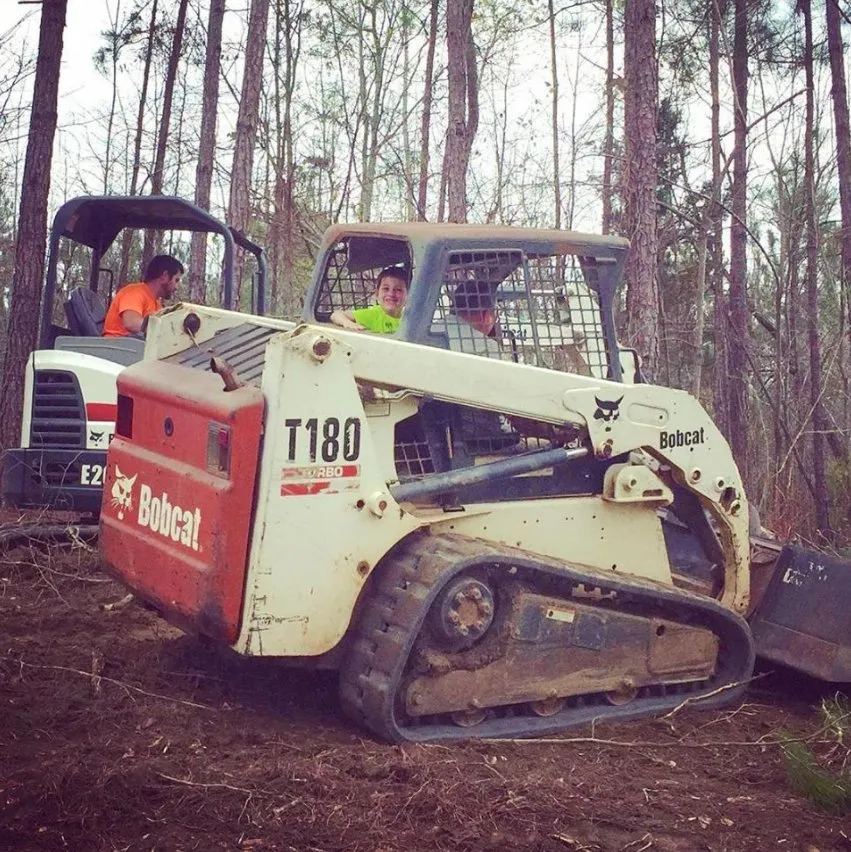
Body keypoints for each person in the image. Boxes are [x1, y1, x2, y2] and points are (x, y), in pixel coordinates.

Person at [102, 254, 184, 338]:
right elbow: (131, 322)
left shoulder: (157, 304)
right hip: (117, 346)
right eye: (176, 280)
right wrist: (166, 330)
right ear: (164, 276)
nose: (176, 287)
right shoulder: (134, 292)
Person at [330, 266, 408, 333]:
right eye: (386, 289)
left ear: (408, 295)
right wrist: (349, 324)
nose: (391, 294)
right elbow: (336, 315)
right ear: (377, 293)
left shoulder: (410, 318)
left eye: (398, 290)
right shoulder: (373, 314)